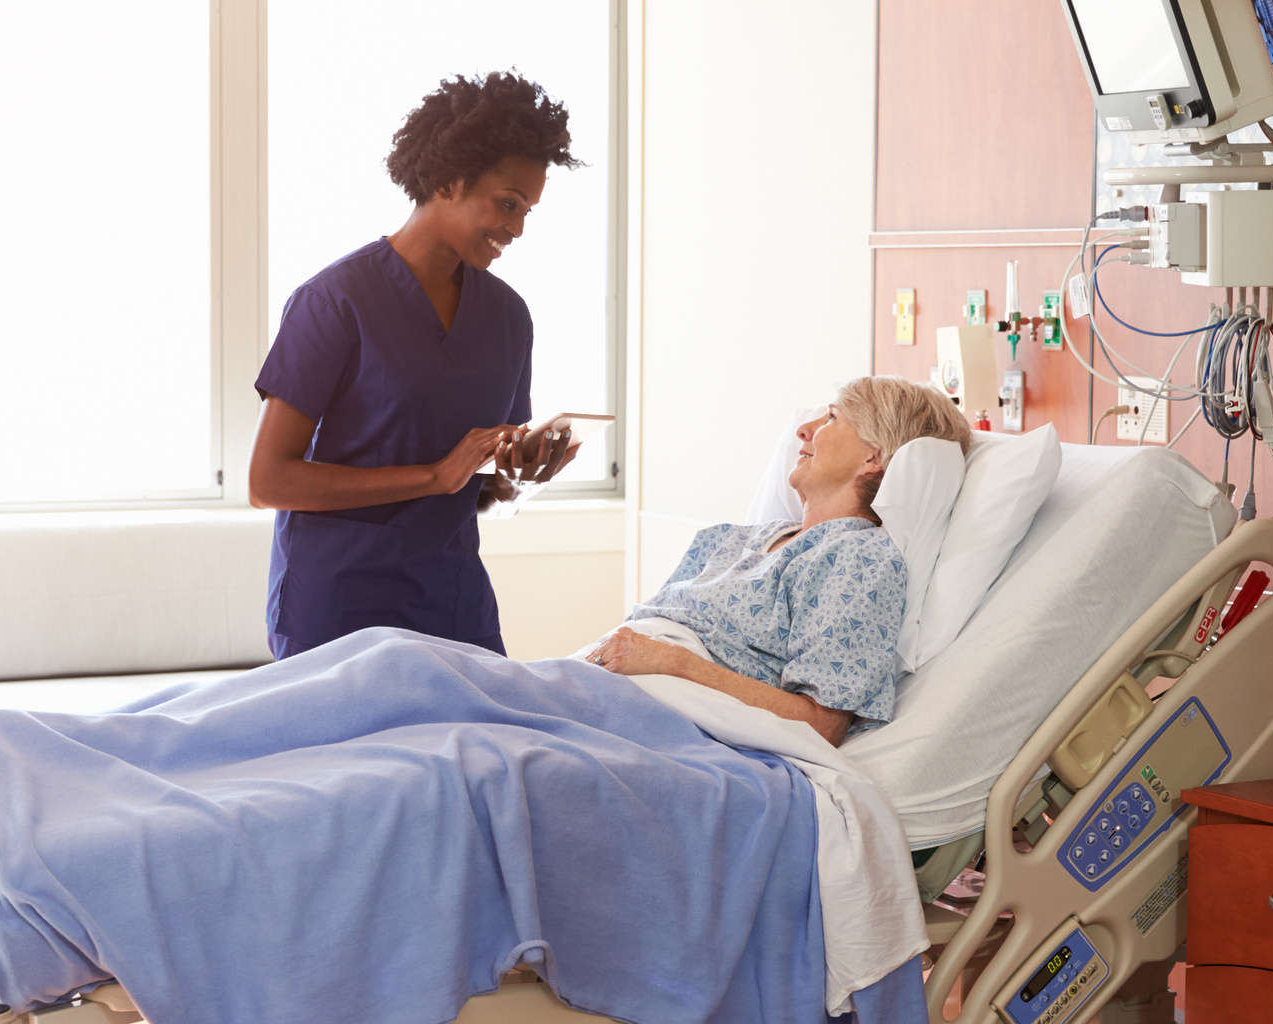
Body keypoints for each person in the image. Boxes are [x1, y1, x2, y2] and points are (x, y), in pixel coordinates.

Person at [249, 71, 583, 661]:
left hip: (451, 602)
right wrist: (434, 475)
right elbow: (268, 480)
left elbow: (481, 483)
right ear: (450, 180)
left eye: (528, 209)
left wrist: (517, 472)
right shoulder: (334, 302)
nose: (518, 227)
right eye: (508, 203)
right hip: (337, 607)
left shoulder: (508, 317)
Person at [587, 376, 972, 746]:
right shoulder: (728, 537)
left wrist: (673, 661)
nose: (804, 429)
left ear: (874, 455)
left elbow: (821, 726)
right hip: (602, 687)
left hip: (671, 726)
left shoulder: (857, 558)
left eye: (832, 417)